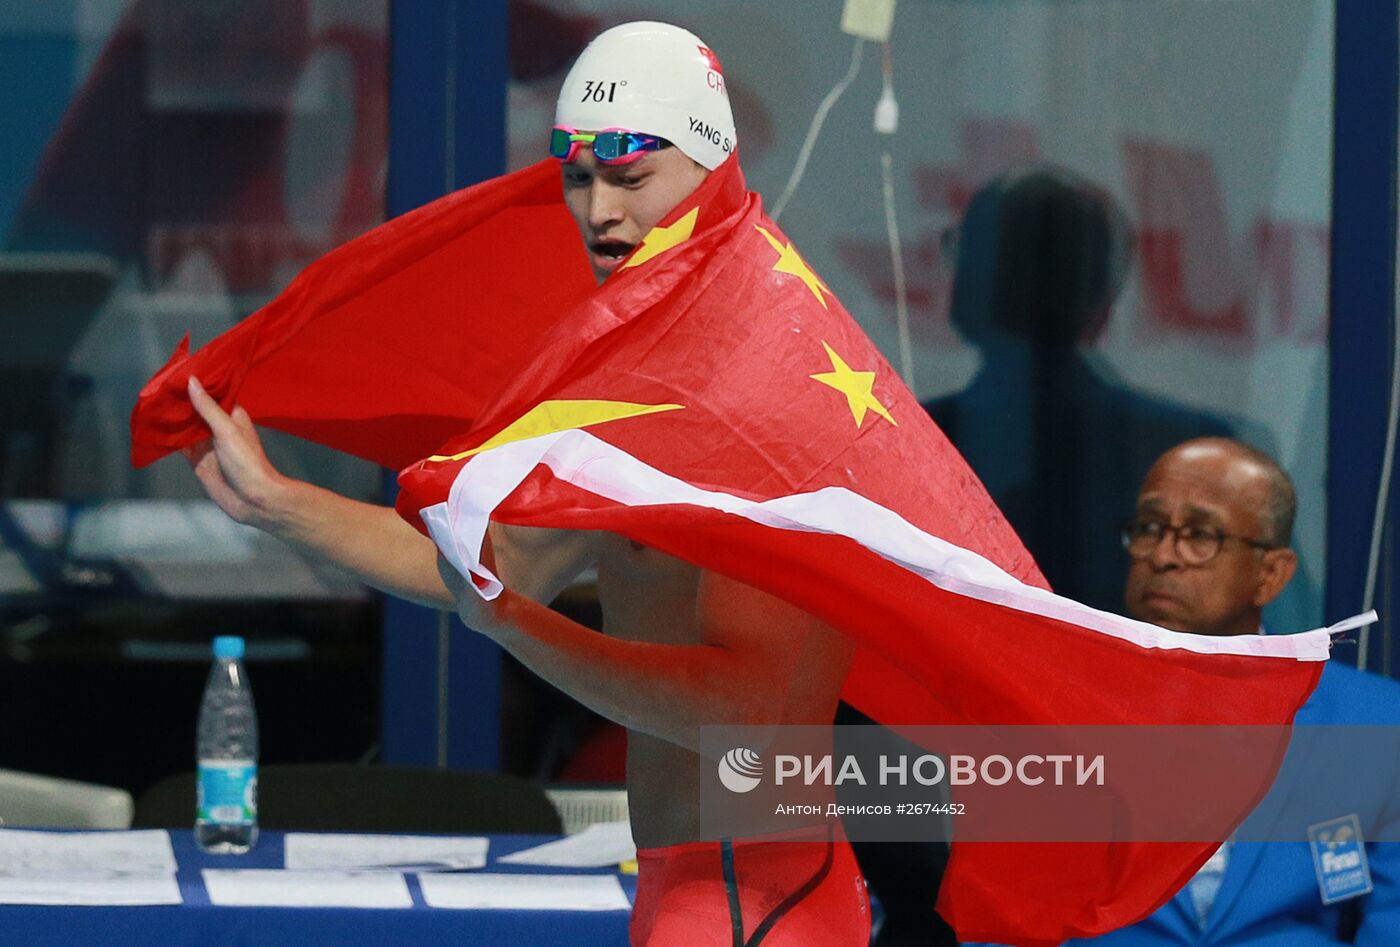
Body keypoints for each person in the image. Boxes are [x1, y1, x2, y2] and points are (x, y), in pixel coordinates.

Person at [180, 21, 870, 946]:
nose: (598, 213)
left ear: (713, 177)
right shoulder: (632, 379)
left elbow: (745, 710)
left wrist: (514, 625)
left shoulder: (768, 389)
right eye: (580, 180)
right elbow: (493, 564)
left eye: (631, 180)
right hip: (679, 876)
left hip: (760, 891)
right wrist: (280, 502)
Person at [1076, 437, 1400, 945]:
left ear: (1271, 575)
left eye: (1200, 535)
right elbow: (999, 914)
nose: (1163, 556)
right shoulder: (1051, 706)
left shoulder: (1376, 722)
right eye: (1150, 528)